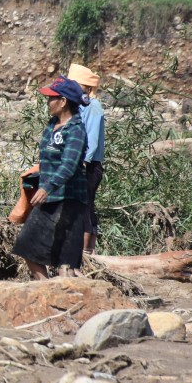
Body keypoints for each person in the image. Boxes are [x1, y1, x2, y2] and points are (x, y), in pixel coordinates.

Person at [12, 76, 90, 279]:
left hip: (69, 200)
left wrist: (48, 187)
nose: (48, 102)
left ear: (63, 101)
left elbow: (69, 165)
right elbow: (48, 159)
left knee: (67, 263)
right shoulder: (51, 124)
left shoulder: (76, 130)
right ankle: (44, 288)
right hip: (49, 197)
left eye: (51, 98)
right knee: (26, 246)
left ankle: (67, 300)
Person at [68, 63, 105, 253]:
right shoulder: (82, 106)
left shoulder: (93, 106)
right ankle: (88, 252)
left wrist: (81, 163)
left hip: (88, 165)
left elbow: (92, 140)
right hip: (84, 163)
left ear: (86, 87)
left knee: (83, 207)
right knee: (86, 207)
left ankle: (84, 254)